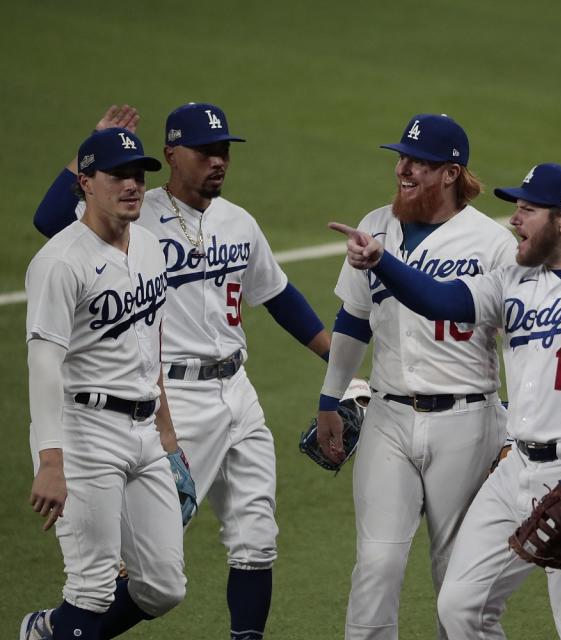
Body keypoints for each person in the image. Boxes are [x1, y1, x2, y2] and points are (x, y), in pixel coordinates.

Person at [330, 162, 561, 638]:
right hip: (516, 470)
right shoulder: (513, 279)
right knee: (461, 607)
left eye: (526, 210)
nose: (514, 220)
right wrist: (382, 261)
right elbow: (442, 300)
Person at [32, 103, 333, 640]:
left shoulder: (238, 221)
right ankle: (62, 629)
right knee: (135, 573)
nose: (218, 161)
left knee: (257, 537)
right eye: (205, 151)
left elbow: (279, 296)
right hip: (167, 393)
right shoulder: (133, 211)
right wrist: (89, 146)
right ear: (171, 154)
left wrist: (339, 358)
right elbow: (50, 222)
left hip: (237, 391)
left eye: (224, 151)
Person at [314, 113, 515, 639]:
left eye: (417, 162)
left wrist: (516, 434)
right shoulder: (374, 224)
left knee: (459, 581)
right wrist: (330, 398)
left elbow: (519, 345)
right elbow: (352, 319)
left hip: (468, 423)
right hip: (388, 418)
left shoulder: (491, 243)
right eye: (401, 157)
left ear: (450, 173)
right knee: (376, 567)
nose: (402, 168)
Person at [21, 129, 187, 639]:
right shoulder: (60, 261)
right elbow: (44, 363)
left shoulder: (152, 248)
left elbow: (149, 342)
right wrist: (52, 460)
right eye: (118, 175)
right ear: (86, 183)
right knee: (92, 589)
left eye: (138, 175)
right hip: (83, 432)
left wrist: (166, 429)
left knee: (162, 586)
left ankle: (49, 632)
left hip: (142, 432)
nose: (133, 185)